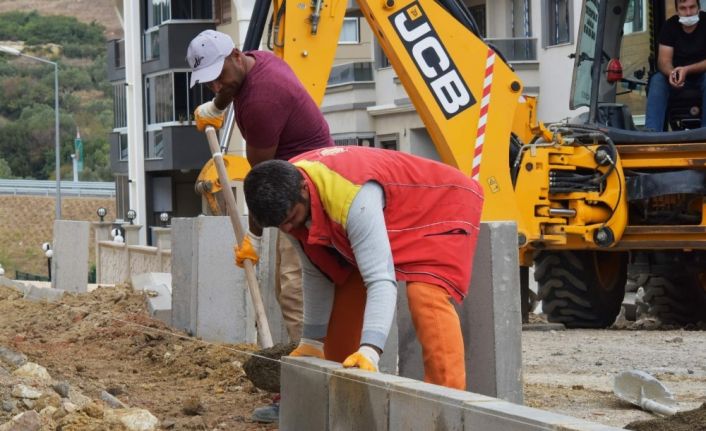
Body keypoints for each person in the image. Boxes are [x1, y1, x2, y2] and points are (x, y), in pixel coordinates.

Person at [243, 146, 484, 390]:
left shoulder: (351, 195)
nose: (287, 229)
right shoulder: (286, 192)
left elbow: (380, 279)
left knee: (425, 295)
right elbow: (317, 272)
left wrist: (371, 350)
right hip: (391, 209)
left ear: (304, 189)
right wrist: (312, 342)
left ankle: (447, 405)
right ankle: (345, 400)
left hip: (441, 202)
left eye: (290, 219)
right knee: (343, 300)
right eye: (280, 225)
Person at [186, 29, 333, 423]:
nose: (217, 84)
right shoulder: (253, 63)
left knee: (295, 290)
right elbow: (230, 85)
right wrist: (216, 106)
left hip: (304, 193)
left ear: (236, 55)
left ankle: (311, 394)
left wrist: (252, 235)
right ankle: (301, 386)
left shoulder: (263, 101)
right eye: (210, 81)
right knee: (287, 288)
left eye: (220, 76)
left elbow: (261, 181)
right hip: (292, 182)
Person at [645, 0, 706, 131]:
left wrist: (687, 69)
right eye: (683, 8)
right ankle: (652, 134)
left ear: (699, 8)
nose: (688, 13)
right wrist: (672, 73)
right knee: (657, 80)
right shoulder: (670, 26)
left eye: (692, 7)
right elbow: (663, 61)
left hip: (703, 75)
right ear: (677, 11)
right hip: (676, 77)